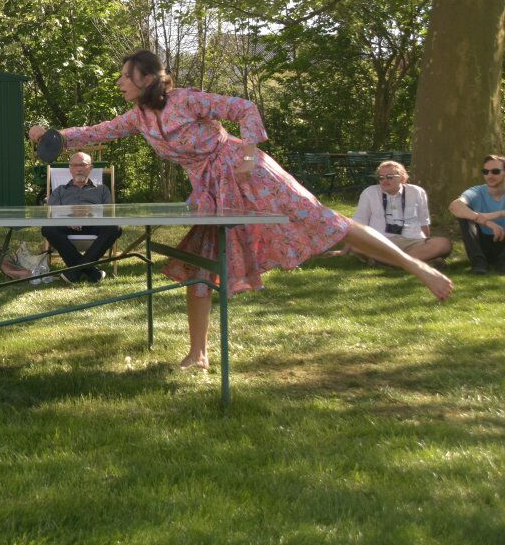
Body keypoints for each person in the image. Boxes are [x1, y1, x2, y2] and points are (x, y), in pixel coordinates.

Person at [28, 50, 452, 370]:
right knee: (200, 261)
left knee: (327, 223)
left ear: (147, 78)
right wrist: (52, 136)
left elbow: (243, 109)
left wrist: (249, 151)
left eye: (125, 75)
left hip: (247, 172)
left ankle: (417, 267)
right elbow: (97, 132)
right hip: (210, 190)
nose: (120, 81)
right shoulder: (139, 117)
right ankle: (198, 353)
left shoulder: (186, 100)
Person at [343, 161, 451, 268]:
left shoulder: (417, 192)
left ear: (402, 178)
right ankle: (421, 261)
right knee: (357, 246)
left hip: (412, 241)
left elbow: (424, 222)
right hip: (380, 242)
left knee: (444, 244)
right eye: (381, 178)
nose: (384, 181)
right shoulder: (369, 193)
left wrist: (425, 244)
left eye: (389, 177)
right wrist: (350, 246)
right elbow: (359, 222)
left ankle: (387, 262)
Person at [41, 151, 122, 283]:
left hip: (94, 225)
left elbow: (108, 213)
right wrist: (68, 221)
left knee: (114, 228)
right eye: (75, 165)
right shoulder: (60, 190)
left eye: (83, 165)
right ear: (70, 168)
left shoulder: (102, 189)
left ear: (90, 168)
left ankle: (75, 272)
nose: (79, 169)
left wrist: (90, 216)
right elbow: (52, 213)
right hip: (67, 227)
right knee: (48, 229)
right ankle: (91, 272)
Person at [448, 155, 505, 274]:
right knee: (465, 213)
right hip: (482, 242)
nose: (489, 175)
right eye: (485, 172)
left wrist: (495, 215)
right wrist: (487, 220)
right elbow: (454, 206)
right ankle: (479, 264)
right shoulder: (477, 191)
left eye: (495, 171)